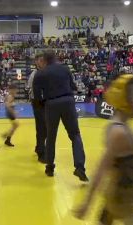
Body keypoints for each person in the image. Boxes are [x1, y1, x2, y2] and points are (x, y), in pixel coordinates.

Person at [73, 74, 133, 225]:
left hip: (115, 196)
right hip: (121, 202)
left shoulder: (118, 127)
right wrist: (86, 203)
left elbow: (114, 168)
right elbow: (101, 169)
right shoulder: (119, 133)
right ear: (123, 99)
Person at [34, 51, 88, 182]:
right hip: (68, 101)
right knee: (75, 135)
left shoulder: (41, 73)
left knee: (51, 137)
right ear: (55, 59)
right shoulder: (65, 69)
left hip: (51, 104)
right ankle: (80, 167)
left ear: (45, 61)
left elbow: (36, 95)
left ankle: (50, 167)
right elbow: (73, 86)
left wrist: (43, 104)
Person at [27, 53, 47, 163]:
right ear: (36, 62)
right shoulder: (35, 74)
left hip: (44, 102)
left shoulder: (45, 73)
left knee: (44, 128)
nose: (42, 62)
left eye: (43, 60)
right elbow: (31, 90)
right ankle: (41, 152)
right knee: (41, 128)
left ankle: (39, 147)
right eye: (40, 60)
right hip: (38, 102)